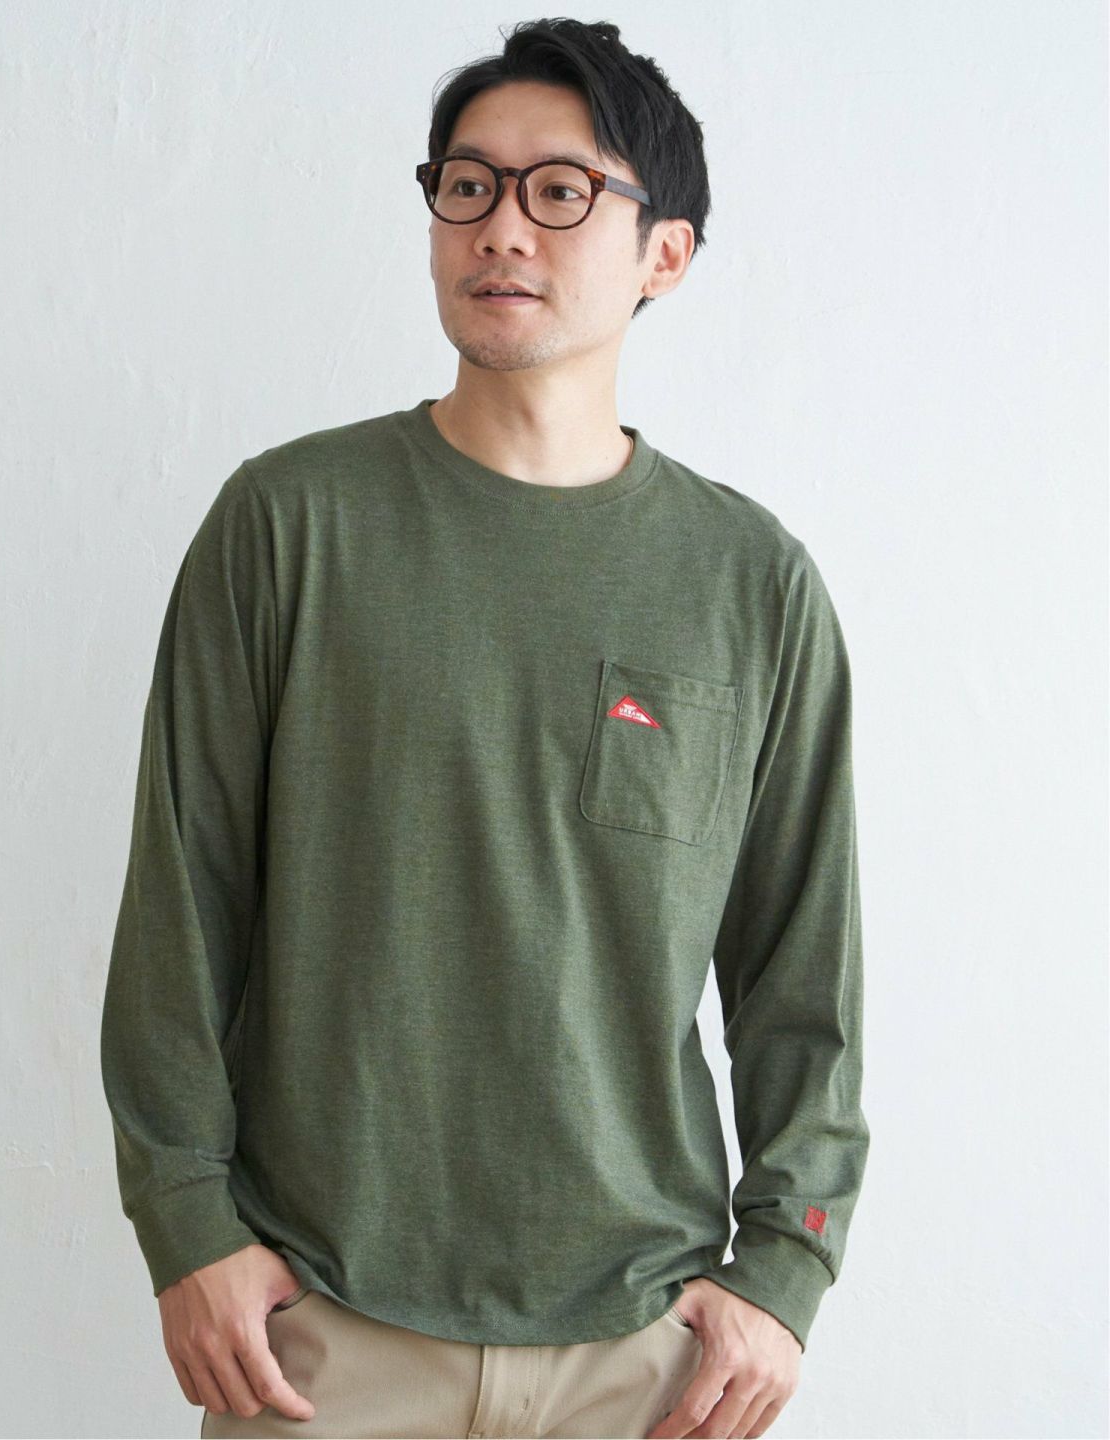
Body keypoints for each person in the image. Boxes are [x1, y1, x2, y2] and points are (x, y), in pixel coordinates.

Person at [99, 17, 869, 1439]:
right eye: (468, 184)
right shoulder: (290, 526)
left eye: (559, 190)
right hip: (321, 1337)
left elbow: (800, 972)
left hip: (645, 1352)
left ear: (665, 253)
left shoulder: (751, 585)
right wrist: (186, 1223)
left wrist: (787, 1266)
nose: (501, 225)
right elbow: (181, 910)